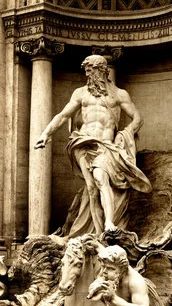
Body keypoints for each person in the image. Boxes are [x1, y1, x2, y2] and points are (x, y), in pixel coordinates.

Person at [35, 54, 152, 236]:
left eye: (91, 70)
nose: (88, 75)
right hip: (83, 143)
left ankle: (109, 222)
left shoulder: (119, 94)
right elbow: (63, 116)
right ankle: (98, 233)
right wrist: (45, 133)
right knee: (91, 189)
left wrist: (124, 134)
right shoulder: (80, 93)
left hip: (105, 145)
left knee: (100, 178)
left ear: (102, 70)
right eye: (86, 71)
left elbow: (138, 119)